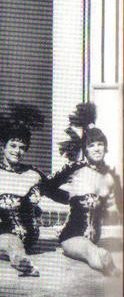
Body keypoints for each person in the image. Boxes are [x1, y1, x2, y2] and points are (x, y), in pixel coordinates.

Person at [38, 102, 122, 276]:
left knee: (92, 249)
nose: (97, 149)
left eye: (100, 144)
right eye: (91, 145)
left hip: (94, 237)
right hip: (72, 236)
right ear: (85, 150)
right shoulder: (75, 168)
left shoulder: (110, 175)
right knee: (92, 252)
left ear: (106, 147)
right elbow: (45, 186)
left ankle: (105, 262)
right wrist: (69, 197)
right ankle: (108, 266)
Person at [0, 104, 45, 276]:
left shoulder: (35, 174)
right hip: (3, 236)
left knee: (17, 244)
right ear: (3, 147)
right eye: (13, 146)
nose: (17, 151)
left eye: (22, 147)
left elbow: (59, 194)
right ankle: (22, 262)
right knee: (12, 244)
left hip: (31, 238)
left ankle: (20, 258)